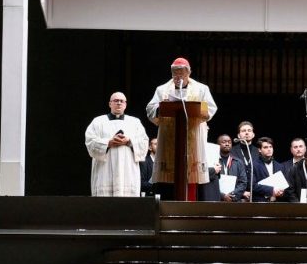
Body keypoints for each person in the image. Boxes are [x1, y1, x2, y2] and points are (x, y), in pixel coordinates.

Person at [145, 57, 217, 198]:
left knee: (190, 176)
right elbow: (150, 108)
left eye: (181, 74)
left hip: (193, 137)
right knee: (168, 182)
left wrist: (198, 110)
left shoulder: (201, 89)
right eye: (175, 74)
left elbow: (211, 108)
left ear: (188, 73)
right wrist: (161, 107)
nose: (178, 77)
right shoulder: (162, 89)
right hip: (169, 139)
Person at [84, 92, 150, 197]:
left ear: (125, 104)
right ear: (110, 104)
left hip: (128, 171)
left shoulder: (135, 122)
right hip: (104, 171)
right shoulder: (98, 121)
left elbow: (144, 142)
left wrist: (129, 141)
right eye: (115, 101)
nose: (119, 103)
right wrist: (108, 143)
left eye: (121, 101)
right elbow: (90, 141)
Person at [250, 137, 290, 202]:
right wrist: (272, 190)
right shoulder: (253, 165)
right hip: (260, 203)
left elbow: (286, 185)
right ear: (259, 149)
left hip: (277, 203)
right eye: (265, 147)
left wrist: (282, 192)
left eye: (270, 147)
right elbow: (253, 186)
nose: (269, 149)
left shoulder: (280, 166)